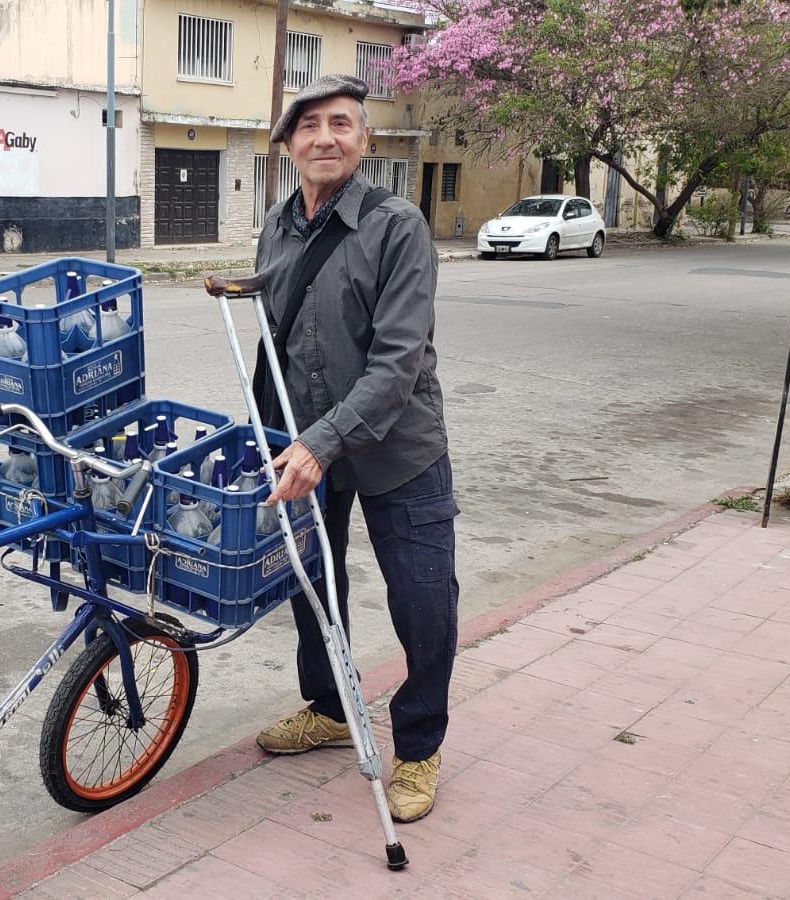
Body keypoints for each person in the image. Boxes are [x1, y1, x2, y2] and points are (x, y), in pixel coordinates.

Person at [249, 74, 460, 824]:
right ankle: (332, 710)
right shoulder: (276, 227)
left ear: (364, 140)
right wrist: (272, 434)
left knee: (424, 599)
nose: (326, 137)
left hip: (398, 447)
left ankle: (421, 744)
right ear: (289, 146)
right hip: (309, 445)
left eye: (342, 124)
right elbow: (278, 340)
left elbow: (398, 361)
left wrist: (323, 441)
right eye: (309, 127)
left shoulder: (397, 225)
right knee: (315, 587)